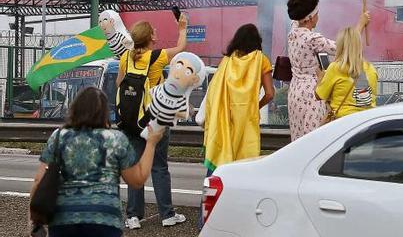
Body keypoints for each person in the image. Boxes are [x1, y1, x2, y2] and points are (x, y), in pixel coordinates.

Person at [29, 87, 163, 237]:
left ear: (74, 109)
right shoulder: (116, 139)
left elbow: (38, 181)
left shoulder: (59, 137)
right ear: (104, 113)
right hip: (104, 220)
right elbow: (137, 181)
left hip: (64, 220)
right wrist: (151, 143)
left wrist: (35, 220)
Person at [115, 18, 188, 229]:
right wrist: (182, 28)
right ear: (151, 38)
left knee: (135, 166)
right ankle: (166, 215)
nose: (156, 31)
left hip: (130, 122)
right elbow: (182, 47)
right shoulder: (157, 57)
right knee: (159, 167)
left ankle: (133, 217)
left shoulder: (125, 58)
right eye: (154, 30)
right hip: (156, 120)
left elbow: (119, 84)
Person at [286, 0, 369, 140]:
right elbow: (344, 46)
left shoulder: (292, 31)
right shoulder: (313, 39)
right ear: (310, 17)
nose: (319, 16)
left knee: (298, 138)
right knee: (314, 138)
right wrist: (361, 24)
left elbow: (297, 15)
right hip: (313, 92)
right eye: (317, 13)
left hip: (295, 91)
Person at [201, 24, 275, 172]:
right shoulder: (261, 60)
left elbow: (214, 90)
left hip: (224, 116)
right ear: (257, 41)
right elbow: (269, 94)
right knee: (245, 157)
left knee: (221, 153)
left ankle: (212, 192)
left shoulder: (227, 60)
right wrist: (255, 106)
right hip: (247, 118)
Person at [315, 27, 379, 118]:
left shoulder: (335, 68)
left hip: (344, 123)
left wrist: (320, 77)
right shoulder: (370, 68)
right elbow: (368, 98)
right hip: (367, 122)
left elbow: (318, 95)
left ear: (340, 45)